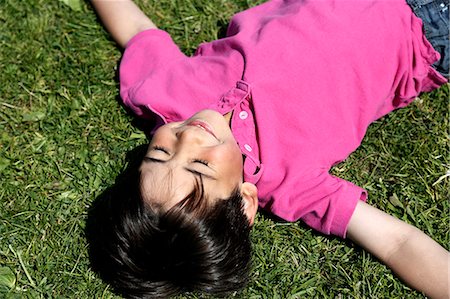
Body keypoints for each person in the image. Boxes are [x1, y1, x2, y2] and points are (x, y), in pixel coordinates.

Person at [88, 0, 449, 298]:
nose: (187, 139)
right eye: (200, 166)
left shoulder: (163, 93)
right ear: (244, 201)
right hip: (428, 28)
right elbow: (397, 242)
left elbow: (137, 29)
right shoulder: (294, 185)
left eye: (159, 154)